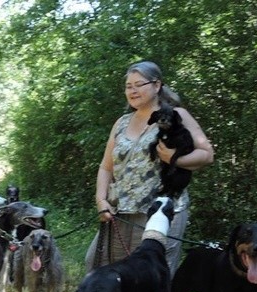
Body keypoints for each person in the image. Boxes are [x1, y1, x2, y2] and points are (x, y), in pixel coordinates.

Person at [85, 61, 214, 275]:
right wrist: (101, 200)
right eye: (128, 86)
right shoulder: (122, 123)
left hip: (160, 213)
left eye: (138, 84)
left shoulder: (176, 115)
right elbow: (106, 167)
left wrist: (174, 158)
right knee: (98, 268)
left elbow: (207, 154)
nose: (132, 90)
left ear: (157, 85)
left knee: (148, 282)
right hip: (119, 212)